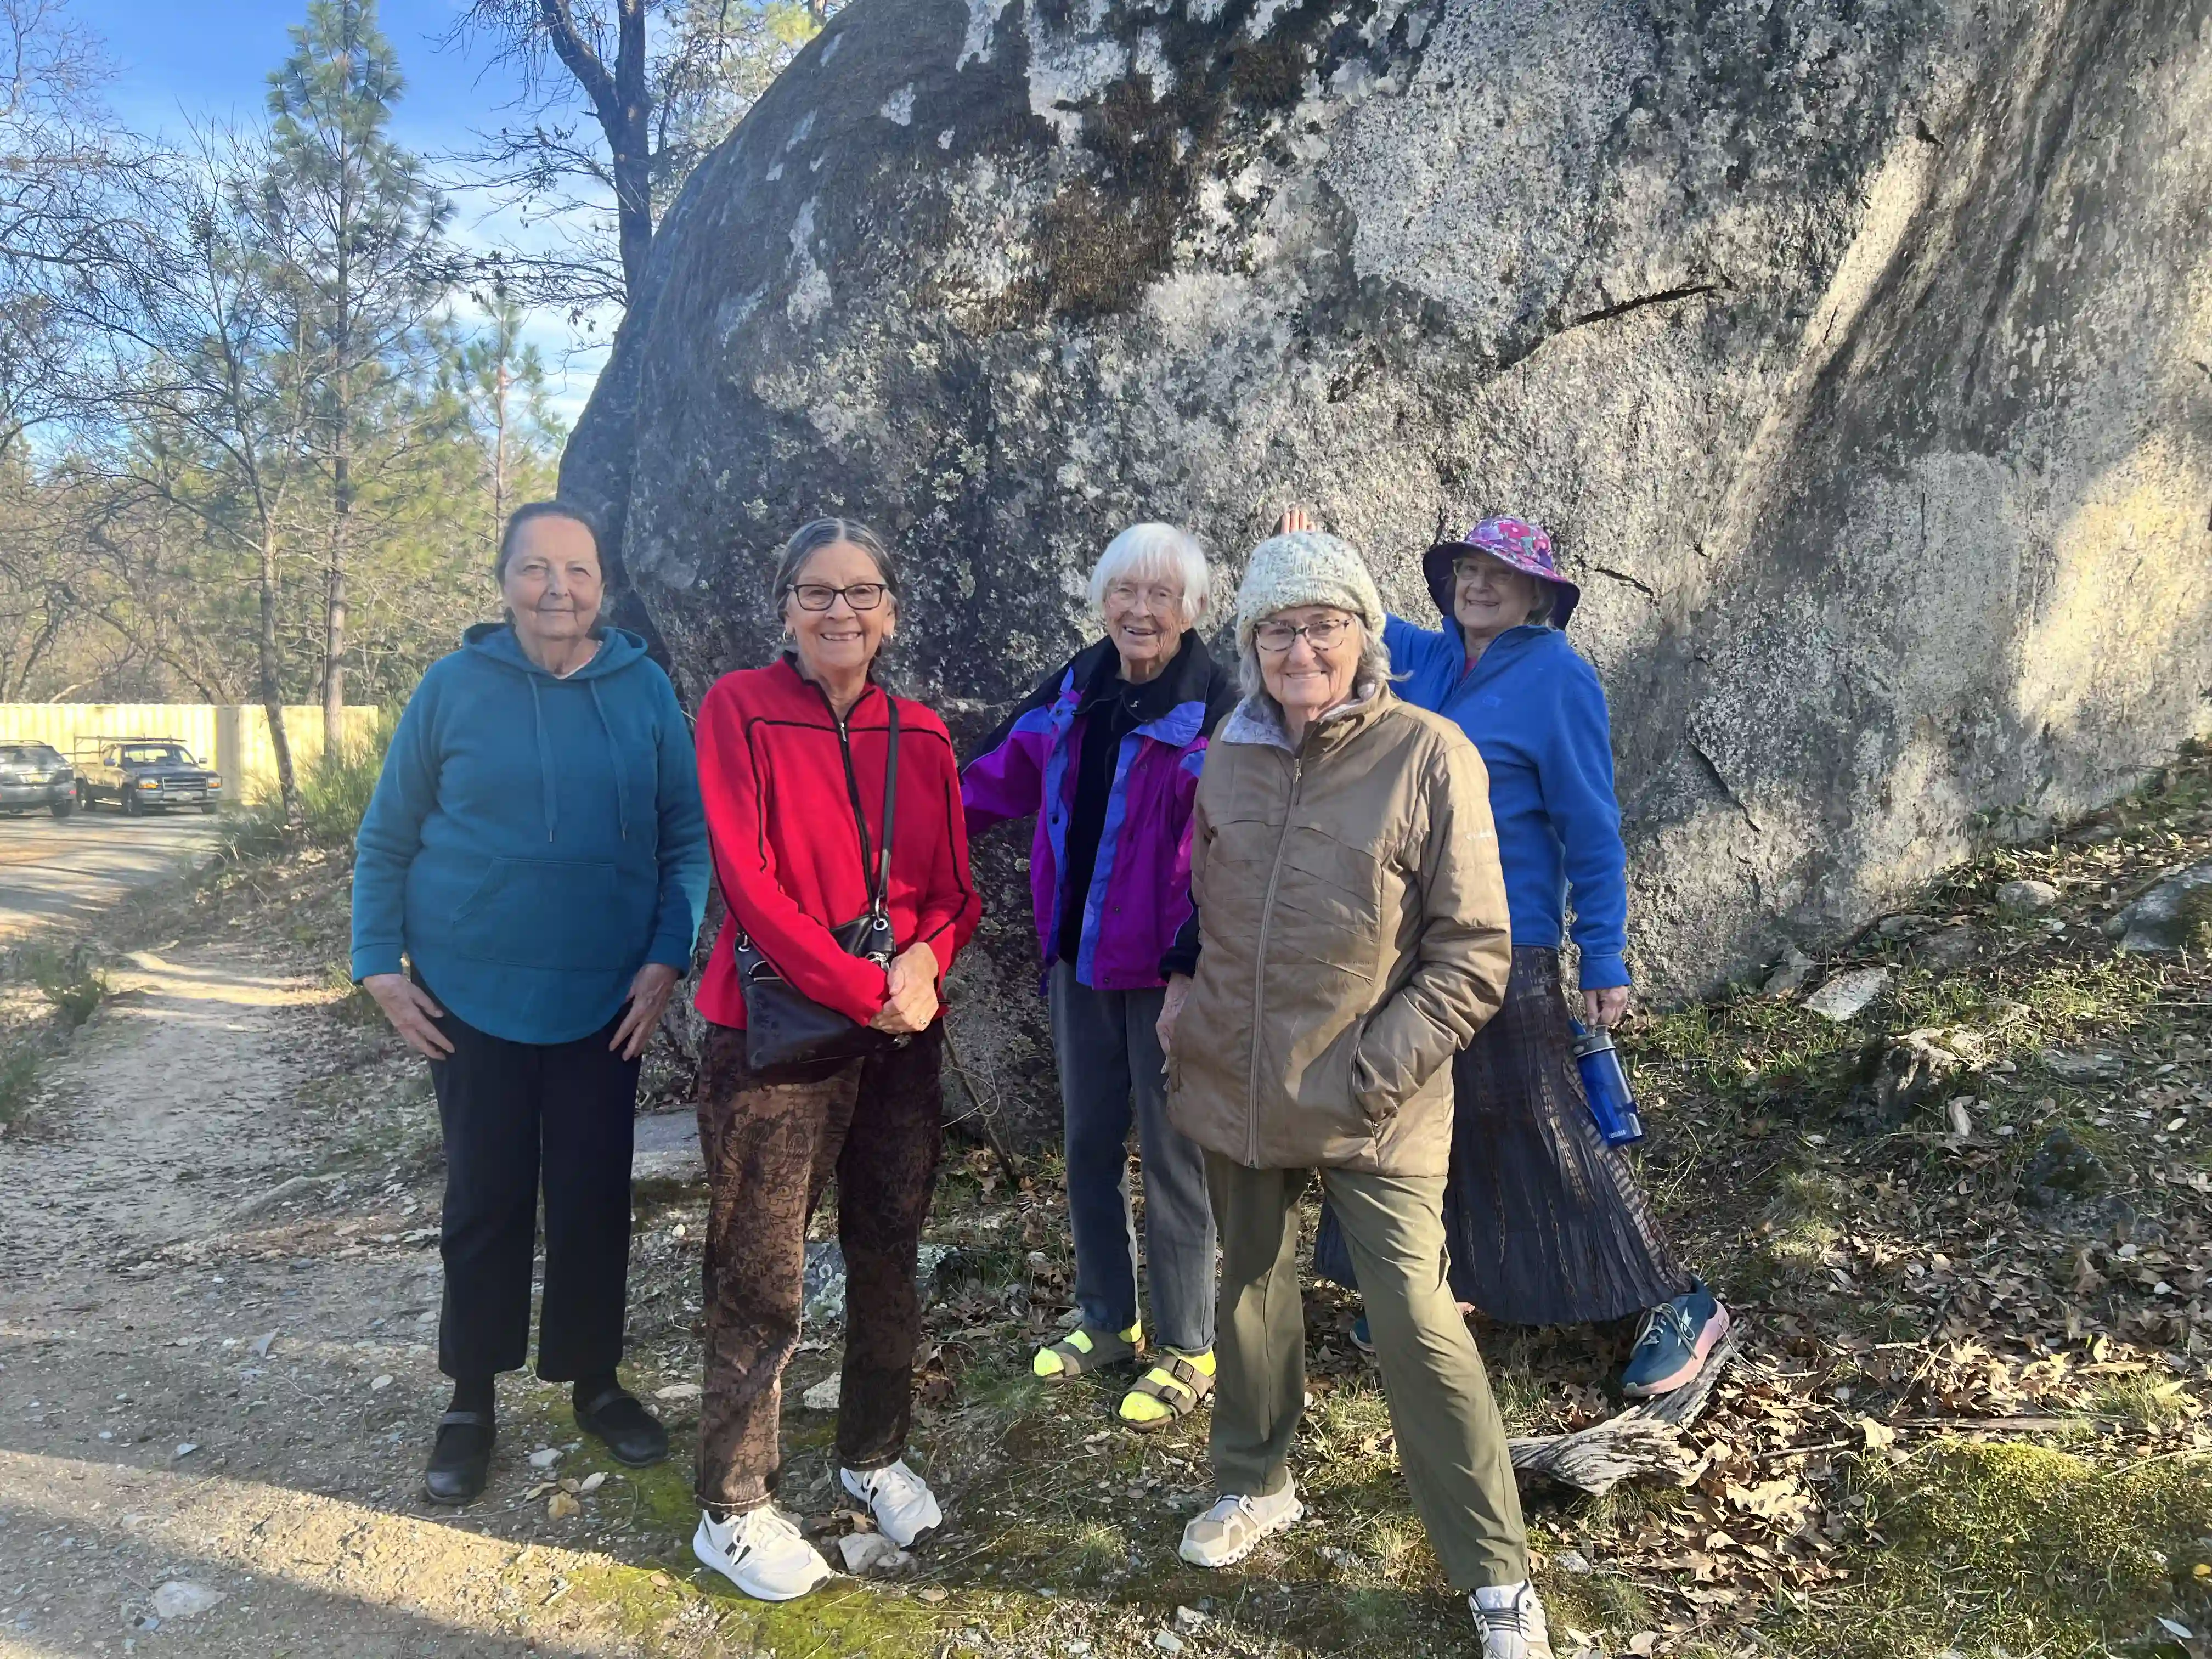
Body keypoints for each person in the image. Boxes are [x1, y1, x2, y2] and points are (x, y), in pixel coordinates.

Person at [1159, 529, 1556, 1659]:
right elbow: (1218, 902)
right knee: (1250, 1288)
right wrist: (1183, 988)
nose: (1300, 650)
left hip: (1379, 1100)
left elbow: (1474, 954)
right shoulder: (1227, 753)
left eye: (1322, 625)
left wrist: (1372, 1073)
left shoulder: (1430, 754)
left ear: (1364, 636)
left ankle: (1493, 1575)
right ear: (1250, 644)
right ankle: (1255, 1480)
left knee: (1421, 1327)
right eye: (1277, 629)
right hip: (1239, 1086)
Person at [1289, 507, 1729, 1397]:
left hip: (1509, 939)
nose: (1477, 584)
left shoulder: (1559, 677)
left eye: (1499, 573)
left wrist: (1604, 952)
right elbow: (1356, 617)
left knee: (1538, 1117)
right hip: (1413, 936)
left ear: (1537, 595)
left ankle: (1678, 1302)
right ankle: (1434, 1286)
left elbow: (1591, 827)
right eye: (1465, 570)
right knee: (1422, 1112)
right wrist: (1319, 546)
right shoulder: (1428, 658)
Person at [352, 500, 710, 1506]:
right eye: (536, 569)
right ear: (504, 579)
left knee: (595, 1198)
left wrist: (666, 957)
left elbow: (687, 840)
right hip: (469, 994)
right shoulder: (451, 689)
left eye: (579, 571)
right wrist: (379, 962)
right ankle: (471, 1395)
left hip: (608, 999)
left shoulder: (643, 692)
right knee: (486, 1198)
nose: (559, 589)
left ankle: (593, 1380)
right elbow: (386, 838)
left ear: (604, 585)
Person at [686, 518, 981, 1601]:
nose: (840, 612)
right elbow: (752, 887)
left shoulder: (924, 734)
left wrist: (923, 965)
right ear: (787, 610)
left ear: (891, 612)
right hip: (776, 1032)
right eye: (818, 593)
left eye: (862, 593)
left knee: (888, 1245)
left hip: (900, 1032)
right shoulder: (739, 709)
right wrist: (870, 988)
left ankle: (872, 1448)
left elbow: (954, 893)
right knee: (761, 1265)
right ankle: (734, 1503)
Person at [962, 524, 1237, 1430]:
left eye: (1162, 594)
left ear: (1192, 608)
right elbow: (990, 778)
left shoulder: (1218, 709)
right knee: (1086, 1147)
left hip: (1170, 979)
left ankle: (1189, 1344)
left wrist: (1194, 966)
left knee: (1173, 1157)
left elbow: (1238, 852)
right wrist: (899, 827)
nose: (1141, 610)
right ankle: (1106, 1321)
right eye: (1125, 591)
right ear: (1102, 600)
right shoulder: (1075, 690)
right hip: (1077, 964)